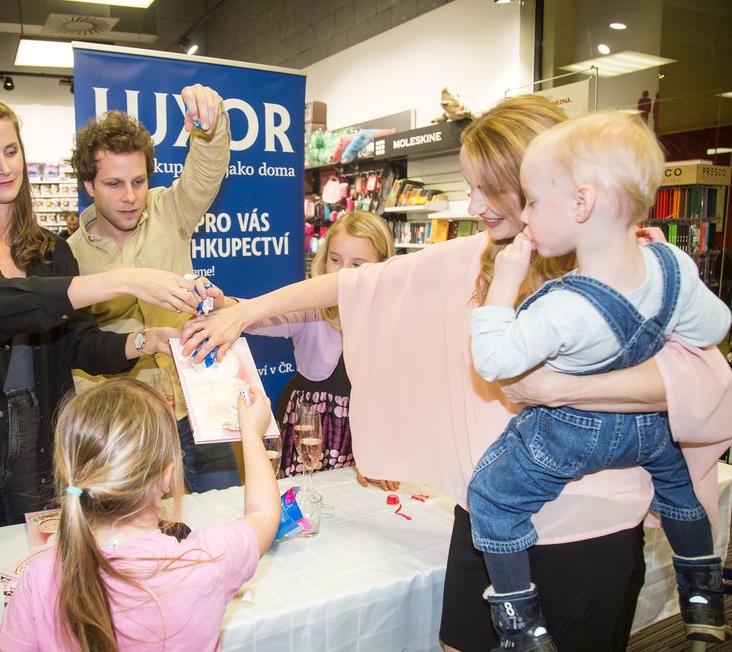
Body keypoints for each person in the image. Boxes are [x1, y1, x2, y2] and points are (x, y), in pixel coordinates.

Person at [180, 95, 732, 651]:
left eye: (487, 189)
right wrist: (246, 312)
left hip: (589, 530)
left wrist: (565, 389)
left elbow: (703, 380)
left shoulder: (625, 263)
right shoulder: (482, 254)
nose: (474, 205)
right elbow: (353, 286)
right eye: (470, 188)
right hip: (487, 520)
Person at [0, 95, 210, 652]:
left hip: (40, 447)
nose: (3, 166)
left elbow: (78, 342)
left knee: (39, 593)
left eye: (11, 150)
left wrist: (146, 339)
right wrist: (126, 280)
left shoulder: (47, 252)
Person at [467, 112, 732, 649]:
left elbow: (493, 360)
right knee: (678, 488)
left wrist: (505, 284)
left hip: (572, 435)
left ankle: (521, 624)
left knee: (490, 497)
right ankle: (702, 587)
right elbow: (715, 327)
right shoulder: (672, 264)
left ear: (582, 204)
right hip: (648, 433)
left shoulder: (566, 305)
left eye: (536, 201)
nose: (530, 214)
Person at [0, 378, 281, 651]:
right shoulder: (204, 563)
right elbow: (264, 512)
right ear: (167, 476)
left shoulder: (40, 576)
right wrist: (252, 434)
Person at [67, 84, 241, 493]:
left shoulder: (169, 209)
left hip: (194, 403)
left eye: (139, 181)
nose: (130, 197)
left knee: (225, 516)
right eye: (113, 184)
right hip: (126, 427)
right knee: (143, 543)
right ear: (88, 185)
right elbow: (80, 348)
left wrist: (211, 124)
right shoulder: (69, 258)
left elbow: (205, 171)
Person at [226, 211, 398, 486]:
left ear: (382, 267)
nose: (342, 274)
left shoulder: (391, 319)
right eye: (335, 260)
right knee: (307, 495)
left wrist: (378, 455)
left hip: (361, 431)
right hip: (310, 426)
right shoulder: (312, 310)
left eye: (357, 265)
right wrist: (228, 307)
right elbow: (265, 317)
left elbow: (390, 396)